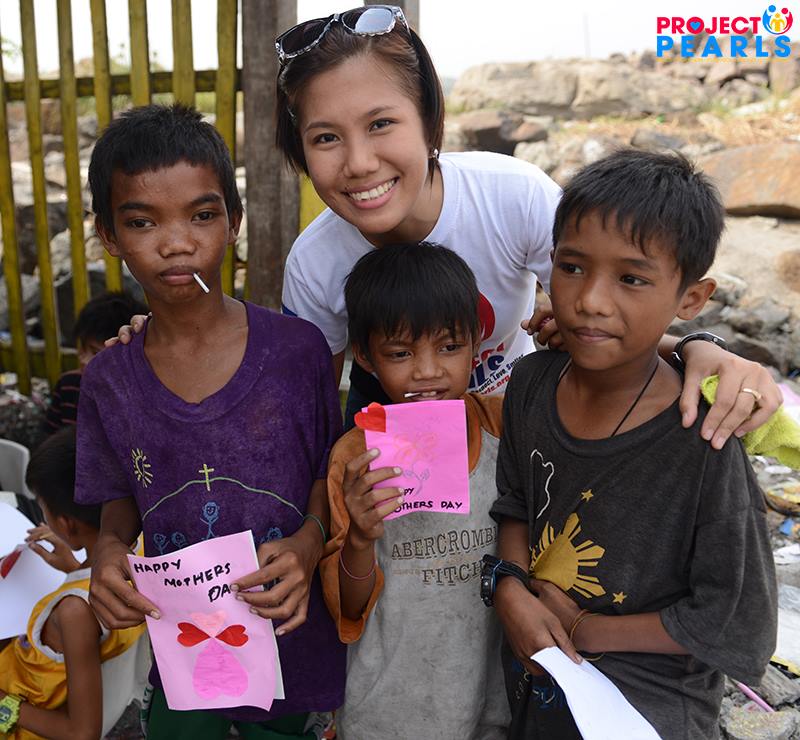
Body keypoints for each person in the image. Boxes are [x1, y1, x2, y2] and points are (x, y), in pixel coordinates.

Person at [114, 6, 782, 444]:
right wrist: (174, 333)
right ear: (299, 153)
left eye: (382, 124)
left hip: (520, 422)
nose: (359, 163)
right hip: (396, 443)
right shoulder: (317, 265)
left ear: (430, 122)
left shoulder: (512, 197)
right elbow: (306, 407)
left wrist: (696, 349)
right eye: (325, 138)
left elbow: (612, 310)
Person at [75, 104, 345, 739]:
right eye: (142, 222)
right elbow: (118, 500)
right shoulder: (109, 379)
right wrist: (108, 553)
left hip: (294, 645)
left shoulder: (297, 352)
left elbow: (327, 474)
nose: (176, 243)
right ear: (109, 235)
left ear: (234, 221)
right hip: (184, 653)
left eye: (202, 215)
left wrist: (309, 542)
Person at [490, 150, 777, 739]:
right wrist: (509, 589)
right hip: (535, 670)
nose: (591, 300)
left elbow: (735, 620)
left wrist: (586, 630)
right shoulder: (531, 383)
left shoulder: (704, 437)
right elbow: (516, 502)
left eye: (631, 278)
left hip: (646, 704)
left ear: (691, 299)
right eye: (572, 267)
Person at [320, 242, 510, 739]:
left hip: (488, 708)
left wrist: (692, 347)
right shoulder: (354, 457)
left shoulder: (502, 426)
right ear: (365, 356)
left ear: (476, 343)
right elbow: (348, 609)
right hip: (388, 710)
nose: (427, 371)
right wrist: (360, 537)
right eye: (401, 353)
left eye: (449, 347)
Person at [0, 427, 144, 740]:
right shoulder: (143, 558)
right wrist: (76, 568)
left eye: (43, 507)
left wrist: (4, 704)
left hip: (18, 721)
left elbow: (82, 733)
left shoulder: (73, 613)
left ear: (66, 524)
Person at [44, 291, 148, 434]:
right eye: (82, 347)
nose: (83, 360)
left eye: (95, 353)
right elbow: (50, 441)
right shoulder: (69, 385)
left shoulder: (142, 400)